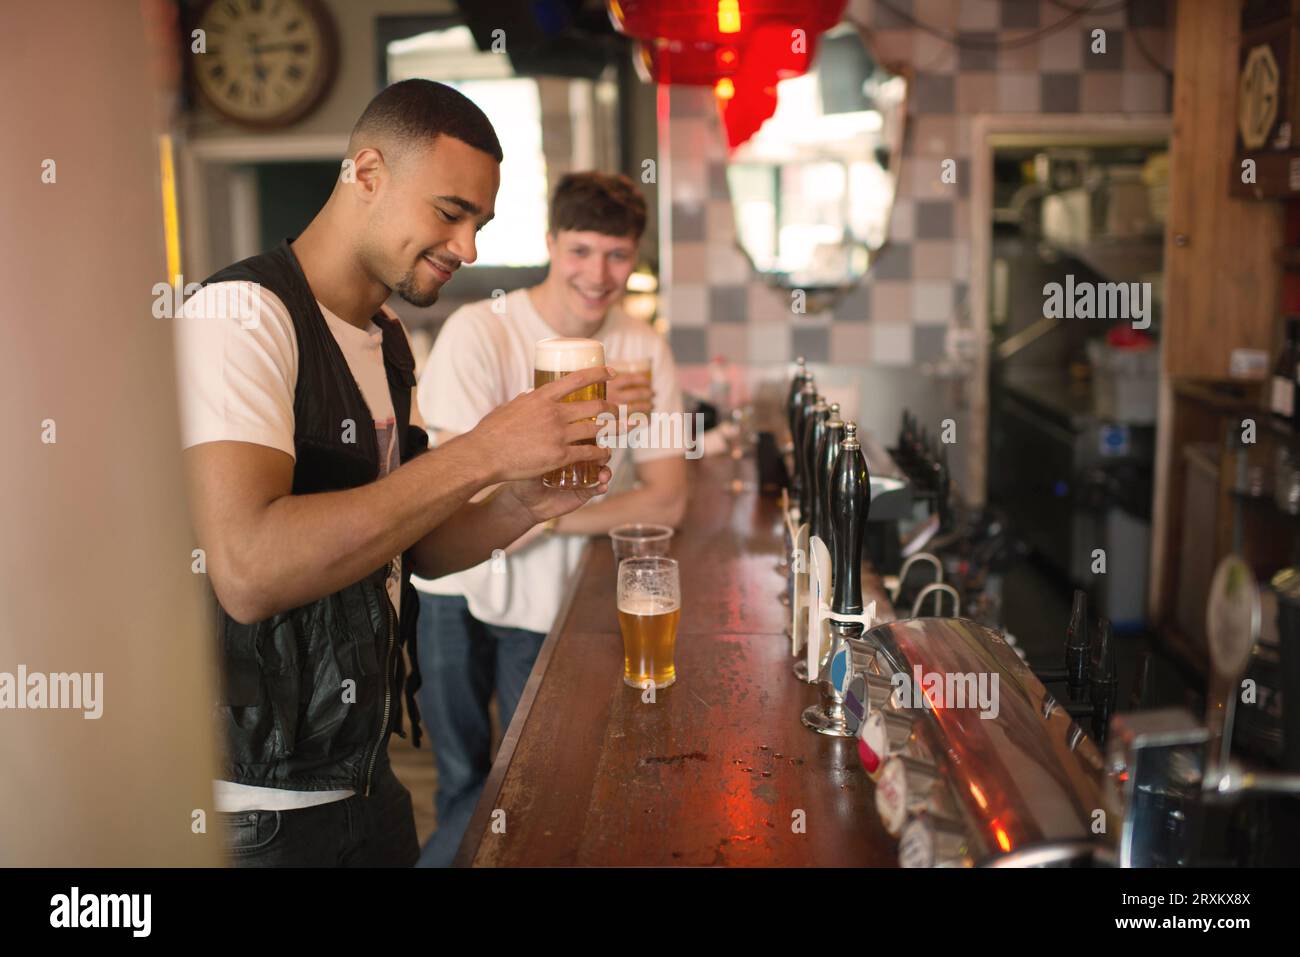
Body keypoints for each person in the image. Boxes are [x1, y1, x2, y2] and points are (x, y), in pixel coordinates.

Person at [174, 80, 617, 867]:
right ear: (367, 172)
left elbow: (415, 545)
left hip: (366, 781)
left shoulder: (387, 340)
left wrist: (520, 500)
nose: (468, 246)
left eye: (479, 223)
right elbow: (247, 567)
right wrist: (482, 450)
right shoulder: (239, 317)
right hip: (258, 812)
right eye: (450, 212)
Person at [413, 172, 689, 867]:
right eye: (581, 250)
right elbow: (452, 496)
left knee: (527, 780)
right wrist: (587, 440)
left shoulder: (645, 349)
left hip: (548, 602)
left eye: (618, 255)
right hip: (451, 589)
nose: (598, 274)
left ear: (636, 258)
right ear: (550, 243)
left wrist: (552, 521)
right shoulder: (478, 329)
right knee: (463, 783)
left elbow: (666, 500)